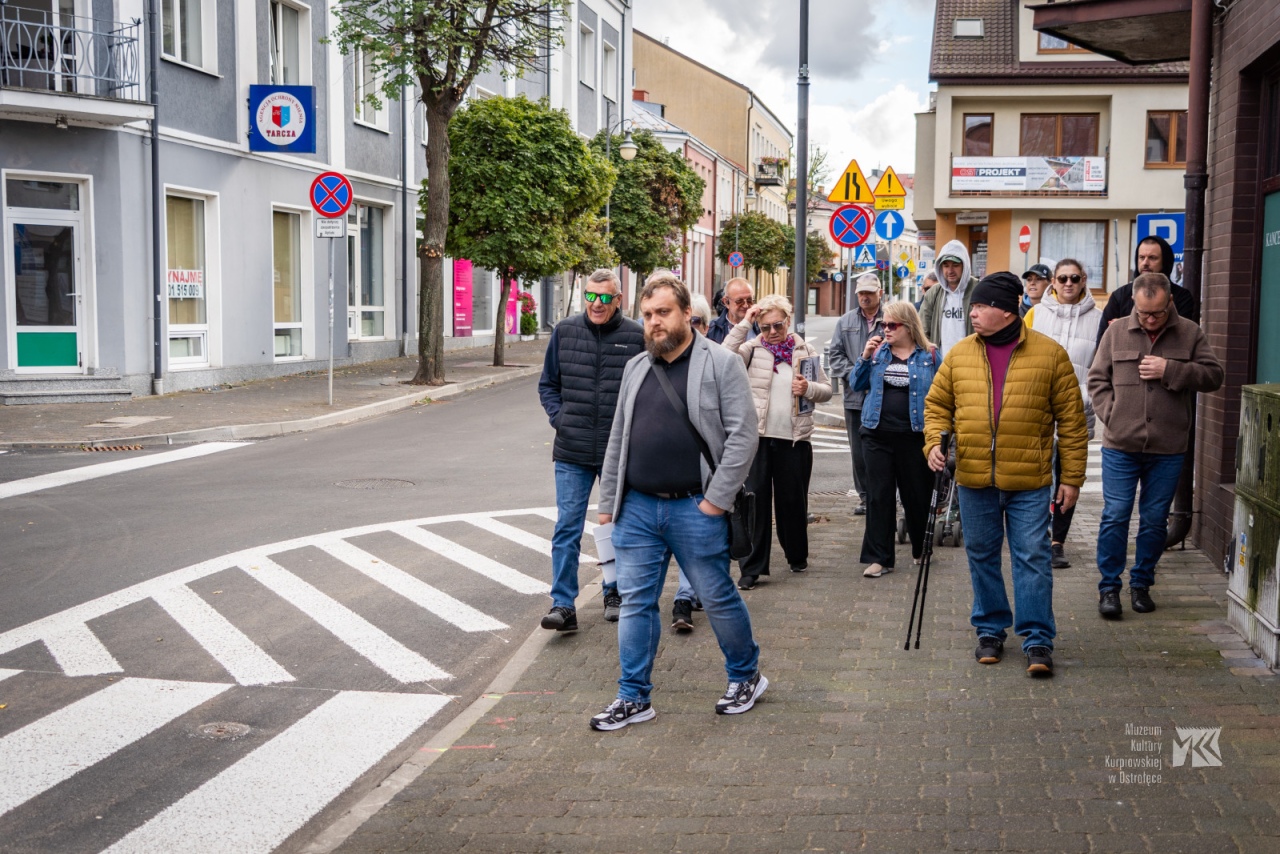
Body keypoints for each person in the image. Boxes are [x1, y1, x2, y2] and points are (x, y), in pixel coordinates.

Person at [591, 275, 765, 730]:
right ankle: (633, 696)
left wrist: (715, 502)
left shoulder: (722, 363)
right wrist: (608, 502)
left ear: (688, 313)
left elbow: (743, 436)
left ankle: (745, 676)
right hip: (637, 508)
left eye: (663, 312)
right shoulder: (637, 367)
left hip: (695, 506)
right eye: (648, 314)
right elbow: (618, 438)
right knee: (635, 602)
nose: (654, 322)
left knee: (716, 595)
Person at [924, 272, 1088, 677]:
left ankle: (1037, 638)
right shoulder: (960, 354)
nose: (973, 313)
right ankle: (990, 629)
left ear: (1007, 311)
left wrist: (1071, 478)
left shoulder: (1050, 355)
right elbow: (937, 405)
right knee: (981, 554)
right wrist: (933, 444)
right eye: (973, 306)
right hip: (974, 477)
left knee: (1032, 557)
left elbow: (1072, 422)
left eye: (982, 306)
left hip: (1030, 480)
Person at [1088, 272, 1224, 619]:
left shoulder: (1190, 332)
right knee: (1116, 515)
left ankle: (1141, 583)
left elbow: (1213, 376)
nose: (1150, 319)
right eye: (1144, 312)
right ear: (1134, 303)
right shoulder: (1116, 331)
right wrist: (1112, 415)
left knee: (1153, 519)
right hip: (1121, 445)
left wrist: (1171, 370)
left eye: (1158, 313)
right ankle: (1109, 587)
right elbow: (1097, 379)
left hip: (1168, 446)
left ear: (1170, 302)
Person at [537, 269, 645, 631]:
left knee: (616, 526)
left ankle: (614, 592)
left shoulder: (635, 336)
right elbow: (548, 385)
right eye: (590, 296)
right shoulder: (565, 331)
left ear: (618, 300)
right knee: (567, 527)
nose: (596, 304)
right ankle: (563, 605)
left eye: (604, 298)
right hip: (573, 448)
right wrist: (561, 419)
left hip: (620, 452)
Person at [724, 294, 833, 589]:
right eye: (765, 327)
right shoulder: (751, 349)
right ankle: (752, 568)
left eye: (778, 325)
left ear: (788, 321)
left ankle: (797, 556)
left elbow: (826, 389)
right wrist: (745, 323)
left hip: (794, 441)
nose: (772, 332)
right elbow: (723, 356)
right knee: (755, 505)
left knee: (792, 502)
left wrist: (808, 388)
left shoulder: (804, 350)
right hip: (757, 440)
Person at [850, 301, 939, 578]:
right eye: (883, 324)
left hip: (915, 436)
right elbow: (856, 384)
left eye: (892, 325)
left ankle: (920, 549)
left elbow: (944, 393)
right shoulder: (878, 353)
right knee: (879, 496)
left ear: (908, 326)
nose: (885, 329)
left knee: (917, 495)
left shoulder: (930, 355)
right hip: (876, 434)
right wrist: (865, 356)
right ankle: (880, 558)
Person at [1026, 259, 1102, 569]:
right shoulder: (1035, 314)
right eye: (1062, 278)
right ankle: (1038, 536)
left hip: (1078, 409)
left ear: (1083, 280)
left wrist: (1088, 397)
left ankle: (1057, 542)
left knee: (1068, 477)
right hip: (1038, 409)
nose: (1068, 283)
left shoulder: (1099, 319)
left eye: (1074, 278)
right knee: (1039, 476)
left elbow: (1102, 367)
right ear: (1053, 282)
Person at [825, 273, 885, 516]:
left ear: (880, 293)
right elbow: (835, 355)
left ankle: (884, 496)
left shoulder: (891, 319)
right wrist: (856, 374)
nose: (865, 297)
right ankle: (865, 498)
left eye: (869, 293)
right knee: (859, 453)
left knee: (883, 450)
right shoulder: (845, 321)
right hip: (855, 397)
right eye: (861, 293)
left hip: (883, 396)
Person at [1096, 235, 1200, 344]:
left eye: (1152, 258)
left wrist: (1121, 329)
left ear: (1165, 261)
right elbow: (1103, 342)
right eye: (1142, 257)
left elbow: (1182, 338)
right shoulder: (1120, 296)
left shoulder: (1182, 297)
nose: (1145, 263)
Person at [919, 239, 978, 358]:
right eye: (946, 266)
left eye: (955, 265)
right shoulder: (934, 293)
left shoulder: (978, 289)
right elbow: (923, 330)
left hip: (970, 361)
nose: (950, 271)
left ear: (965, 265)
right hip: (941, 363)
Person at [706, 277, 758, 344]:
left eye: (749, 300)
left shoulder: (760, 325)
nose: (746, 305)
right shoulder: (712, 329)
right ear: (726, 302)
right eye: (739, 301)